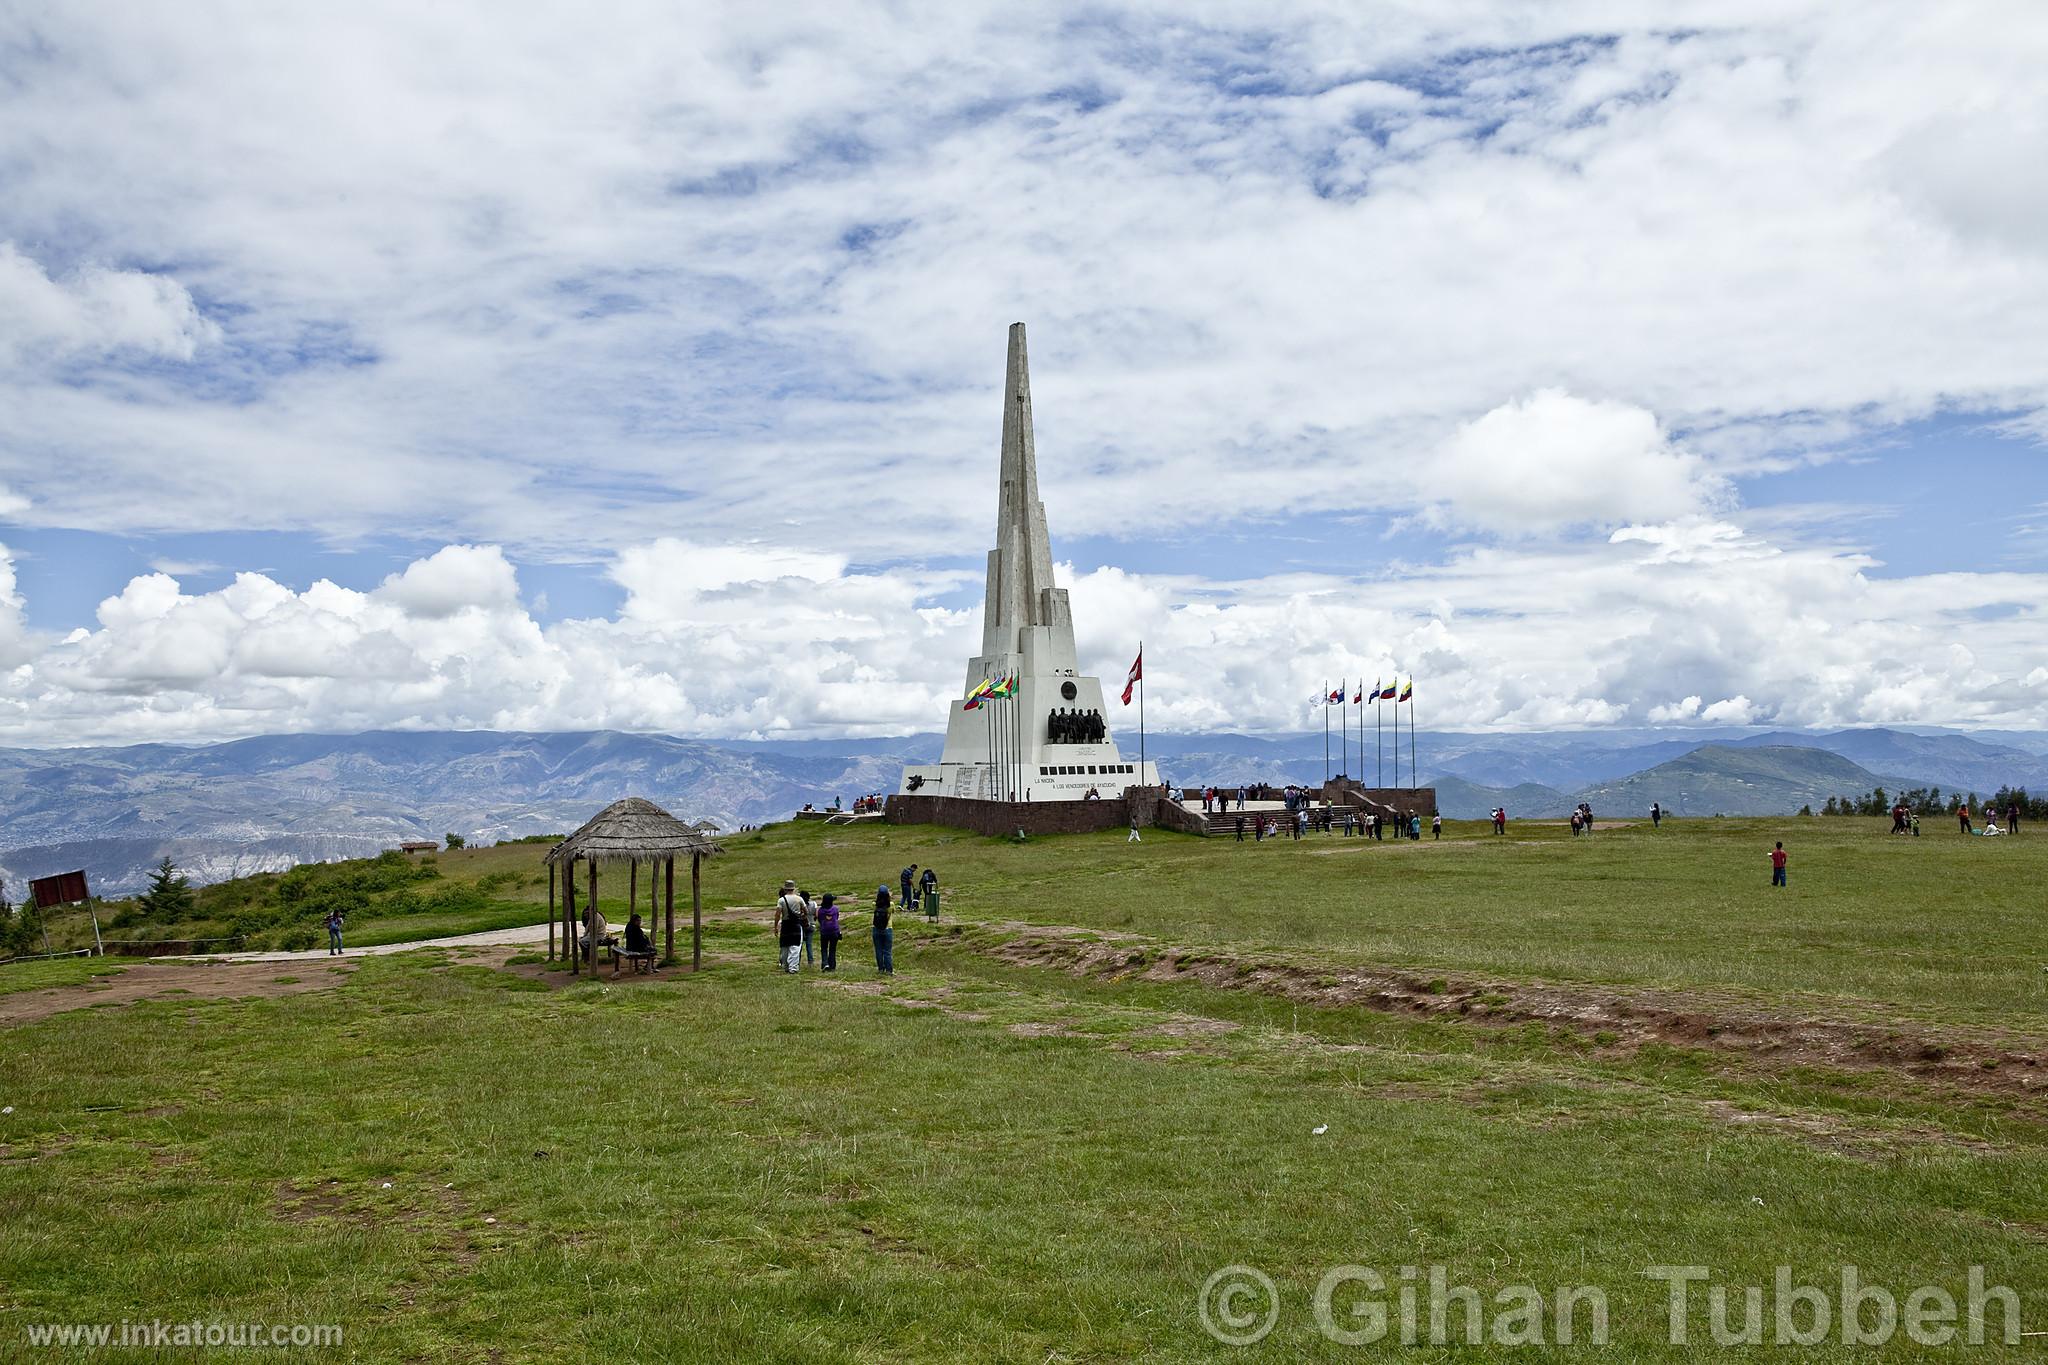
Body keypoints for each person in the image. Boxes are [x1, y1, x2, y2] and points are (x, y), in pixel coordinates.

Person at [872, 884, 894, 975]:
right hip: (888, 929)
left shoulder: (874, 904)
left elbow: (874, 905)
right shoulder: (891, 905)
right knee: (887, 951)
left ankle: (881, 969)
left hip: (876, 929)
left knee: (878, 950)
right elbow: (893, 911)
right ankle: (889, 970)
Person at [818, 893, 842, 971]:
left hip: (824, 931)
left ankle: (825, 963)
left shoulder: (821, 910)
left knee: (824, 948)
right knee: (832, 949)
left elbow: (820, 920)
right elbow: (837, 917)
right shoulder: (835, 909)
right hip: (834, 931)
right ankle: (832, 966)